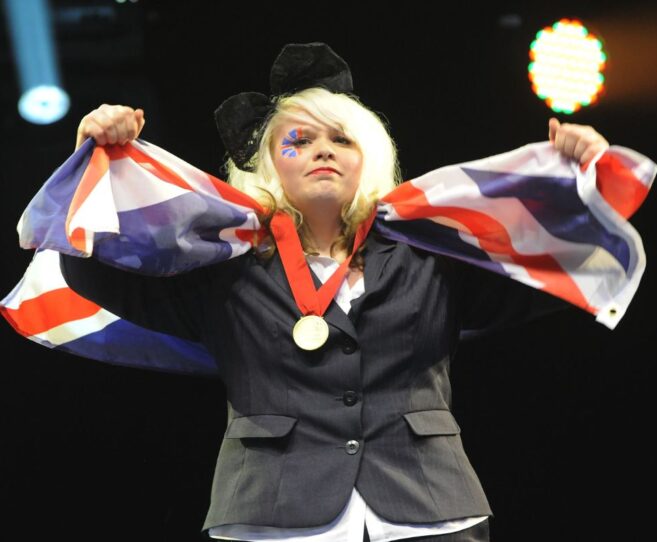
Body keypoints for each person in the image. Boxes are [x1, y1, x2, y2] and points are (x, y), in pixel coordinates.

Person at [63, 43, 615, 542]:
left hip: (430, 509)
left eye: (342, 139)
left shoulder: (432, 256)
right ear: (267, 165)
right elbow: (96, 271)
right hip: (271, 515)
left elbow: (550, 274)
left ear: (366, 159)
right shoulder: (225, 270)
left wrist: (591, 185)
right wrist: (94, 157)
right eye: (299, 141)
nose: (323, 150)